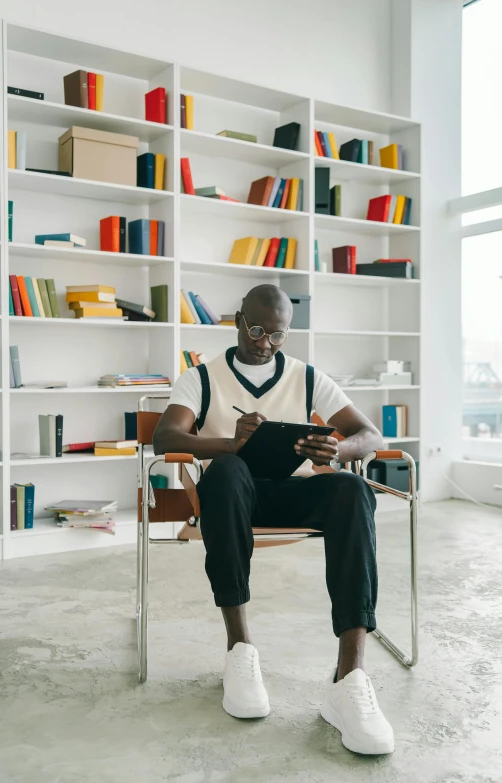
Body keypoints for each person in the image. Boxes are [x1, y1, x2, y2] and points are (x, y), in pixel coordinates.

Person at [154, 284, 394, 755]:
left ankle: (350, 679)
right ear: (238, 318)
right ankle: (240, 650)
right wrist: (230, 445)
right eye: (256, 329)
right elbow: (165, 437)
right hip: (231, 498)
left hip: (294, 492)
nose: (263, 342)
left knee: (352, 487)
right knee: (226, 471)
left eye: (277, 335)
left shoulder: (307, 377)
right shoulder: (201, 376)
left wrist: (337, 449)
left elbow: (369, 433)